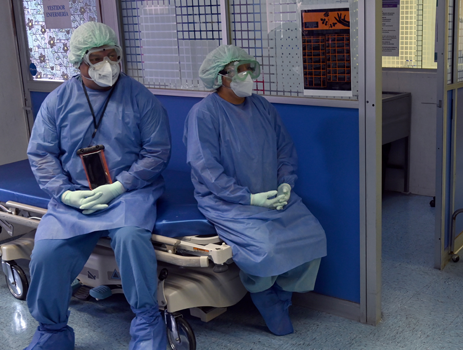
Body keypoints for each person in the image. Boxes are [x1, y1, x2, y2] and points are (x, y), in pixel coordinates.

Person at [25, 22, 171, 350]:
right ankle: (52, 332)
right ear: (79, 62)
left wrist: (120, 186)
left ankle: (147, 324)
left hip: (129, 192)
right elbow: (42, 155)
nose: (108, 63)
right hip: (74, 193)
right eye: (97, 56)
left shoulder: (140, 98)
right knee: (46, 254)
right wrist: (65, 193)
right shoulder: (57, 102)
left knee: (132, 239)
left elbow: (157, 151)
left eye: (112, 54)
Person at [184, 45, 327, 336]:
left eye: (249, 68)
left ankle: (283, 298)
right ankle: (267, 302)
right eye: (239, 70)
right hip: (228, 202)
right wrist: (246, 197)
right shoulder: (204, 114)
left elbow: (284, 148)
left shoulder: (261, 106)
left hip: (271, 196)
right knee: (265, 248)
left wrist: (286, 183)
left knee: (312, 235)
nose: (247, 75)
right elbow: (206, 169)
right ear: (221, 76)